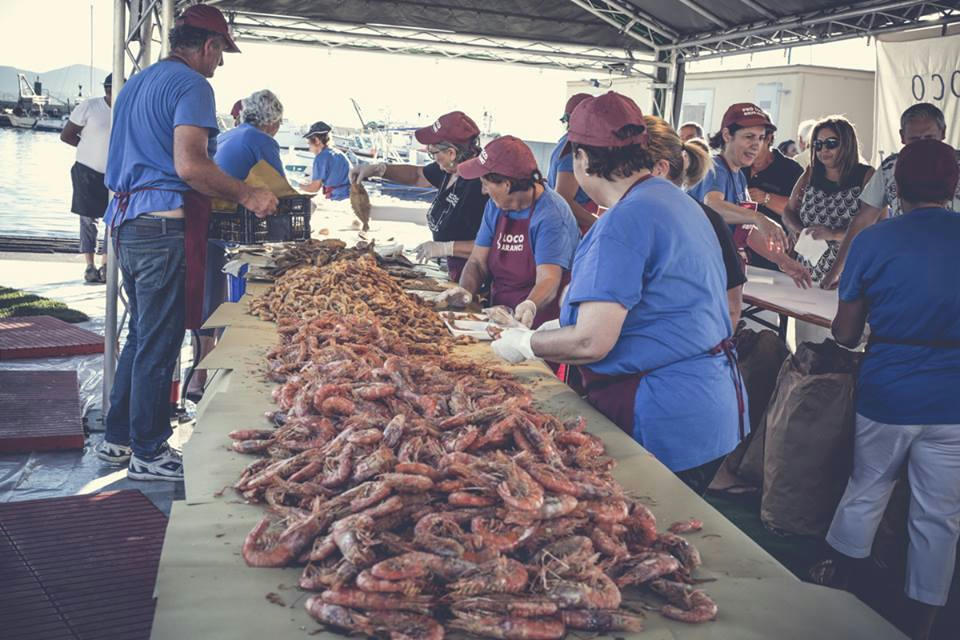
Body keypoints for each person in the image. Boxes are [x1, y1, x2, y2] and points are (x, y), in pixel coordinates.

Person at [490, 92, 745, 494]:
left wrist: (526, 343)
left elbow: (592, 341)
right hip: (712, 404)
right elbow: (658, 306)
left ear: (581, 158)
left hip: (663, 412)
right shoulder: (676, 202)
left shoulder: (624, 220)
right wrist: (560, 325)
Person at [97, 5, 277, 480]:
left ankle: (118, 439)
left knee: (141, 335)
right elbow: (191, 166)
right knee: (159, 342)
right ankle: (149, 450)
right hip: (162, 228)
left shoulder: (137, 83)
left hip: (127, 224)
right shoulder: (193, 85)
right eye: (221, 52)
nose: (220, 62)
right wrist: (248, 194)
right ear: (208, 46)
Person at [817, 139, 960, 640]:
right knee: (939, 516)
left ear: (896, 187)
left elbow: (845, 334)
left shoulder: (874, 241)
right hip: (954, 401)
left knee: (867, 490)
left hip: (889, 392)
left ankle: (837, 607)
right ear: (954, 186)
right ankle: (922, 626)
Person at [187, 89, 286, 400]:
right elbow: (281, 191)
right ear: (272, 122)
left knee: (209, 304)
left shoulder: (230, 135)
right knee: (222, 307)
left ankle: (200, 378)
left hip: (207, 225)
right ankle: (206, 381)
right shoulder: (261, 140)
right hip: (229, 235)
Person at [438, 135, 578, 329]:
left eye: (485, 184)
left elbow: (549, 279)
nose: (483, 191)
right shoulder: (495, 206)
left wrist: (530, 306)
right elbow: (477, 261)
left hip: (537, 323)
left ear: (506, 184)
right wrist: (465, 291)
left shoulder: (551, 215)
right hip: (498, 313)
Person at [820, 103, 960, 289]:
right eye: (914, 139)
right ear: (902, 137)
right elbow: (863, 220)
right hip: (908, 267)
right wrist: (836, 271)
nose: (922, 146)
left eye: (929, 138)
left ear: (943, 133)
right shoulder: (890, 168)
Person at [350, 111, 487, 281]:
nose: (432, 157)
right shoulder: (449, 167)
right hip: (449, 267)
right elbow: (417, 175)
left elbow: (492, 245)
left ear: (452, 153)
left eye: (433, 152)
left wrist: (446, 248)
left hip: (473, 273)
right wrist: (379, 169)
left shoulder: (482, 185)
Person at [643, 120, 746, 329]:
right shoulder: (709, 218)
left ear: (659, 169)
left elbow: (731, 307)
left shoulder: (645, 221)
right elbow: (732, 308)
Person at [781, 116, 874, 285]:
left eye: (831, 143)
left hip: (849, 274)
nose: (823, 149)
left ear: (847, 144)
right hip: (805, 273)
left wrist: (833, 234)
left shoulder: (866, 176)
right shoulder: (811, 173)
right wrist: (800, 231)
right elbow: (788, 211)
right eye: (818, 144)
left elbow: (876, 229)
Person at [687, 103, 787, 255]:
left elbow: (746, 230)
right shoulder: (715, 167)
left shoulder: (739, 175)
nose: (756, 145)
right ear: (727, 135)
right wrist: (758, 218)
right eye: (749, 137)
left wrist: (784, 261)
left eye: (761, 138)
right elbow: (713, 206)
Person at [61, 73, 113, 283]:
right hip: (86, 171)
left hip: (114, 173)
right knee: (87, 220)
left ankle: (106, 264)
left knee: (113, 219)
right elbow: (66, 135)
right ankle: (89, 266)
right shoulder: (89, 107)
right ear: (107, 89)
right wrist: (88, 148)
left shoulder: (127, 110)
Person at [743, 128, 804, 269]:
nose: (750, 144)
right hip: (738, 253)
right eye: (746, 137)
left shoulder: (790, 169)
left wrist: (767, 198)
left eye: (756, 138)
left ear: (769, 138)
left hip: (775, 257)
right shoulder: (738, 165)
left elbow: (800, 211)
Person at [547, 93, 599, 233]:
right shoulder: (572, 150)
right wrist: (597, 224)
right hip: (570, 227)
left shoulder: (565, 142)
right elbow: (563, 199)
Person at [300, 121, 351, 201]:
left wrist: (298, 185)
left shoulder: (321, 158)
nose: (308, 146)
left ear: (317, 140)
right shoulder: (339, 153)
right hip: (350, 196)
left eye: (309, 142)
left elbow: (314, 188)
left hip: (338, 198)